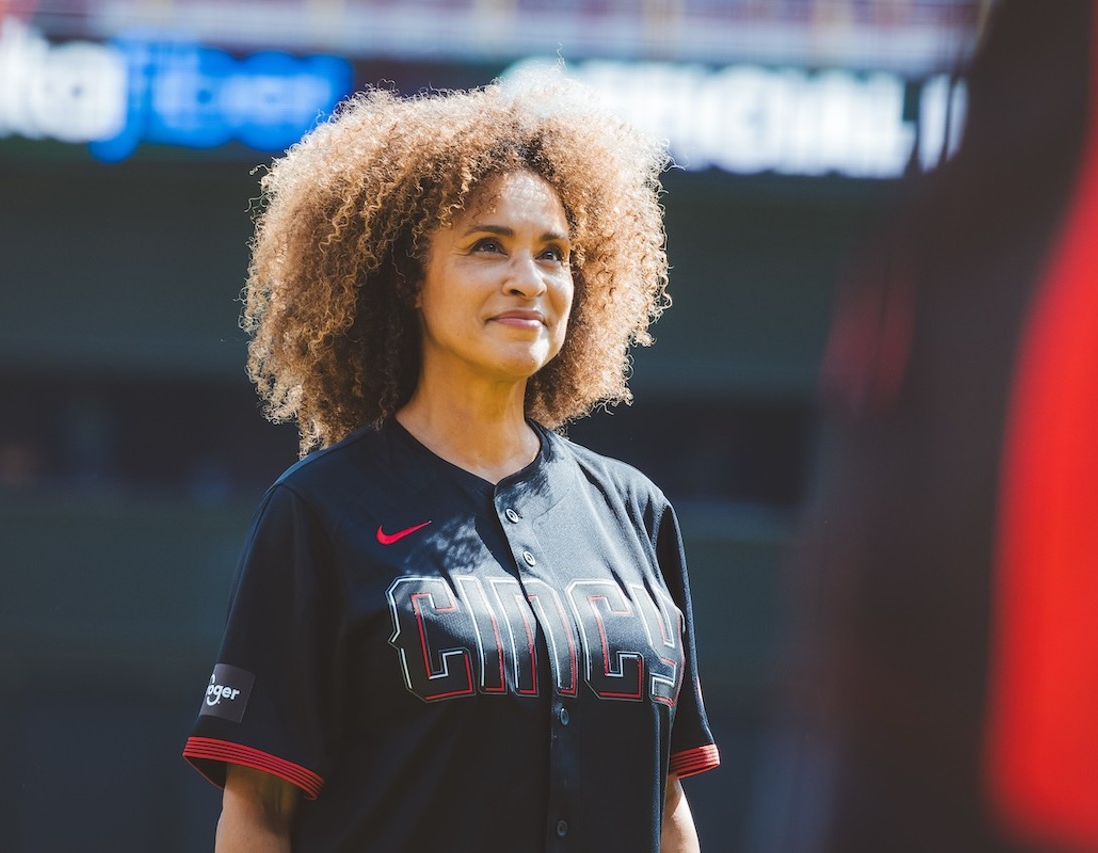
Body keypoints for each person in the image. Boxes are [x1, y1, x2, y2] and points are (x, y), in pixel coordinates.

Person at [182, 74, 720, 853]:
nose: (528, 280)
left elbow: (667, 809)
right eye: (486, 245)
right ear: (407, 278)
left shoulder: (636, 512)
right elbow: (257, 817)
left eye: (554, 253)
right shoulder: (318, 511)